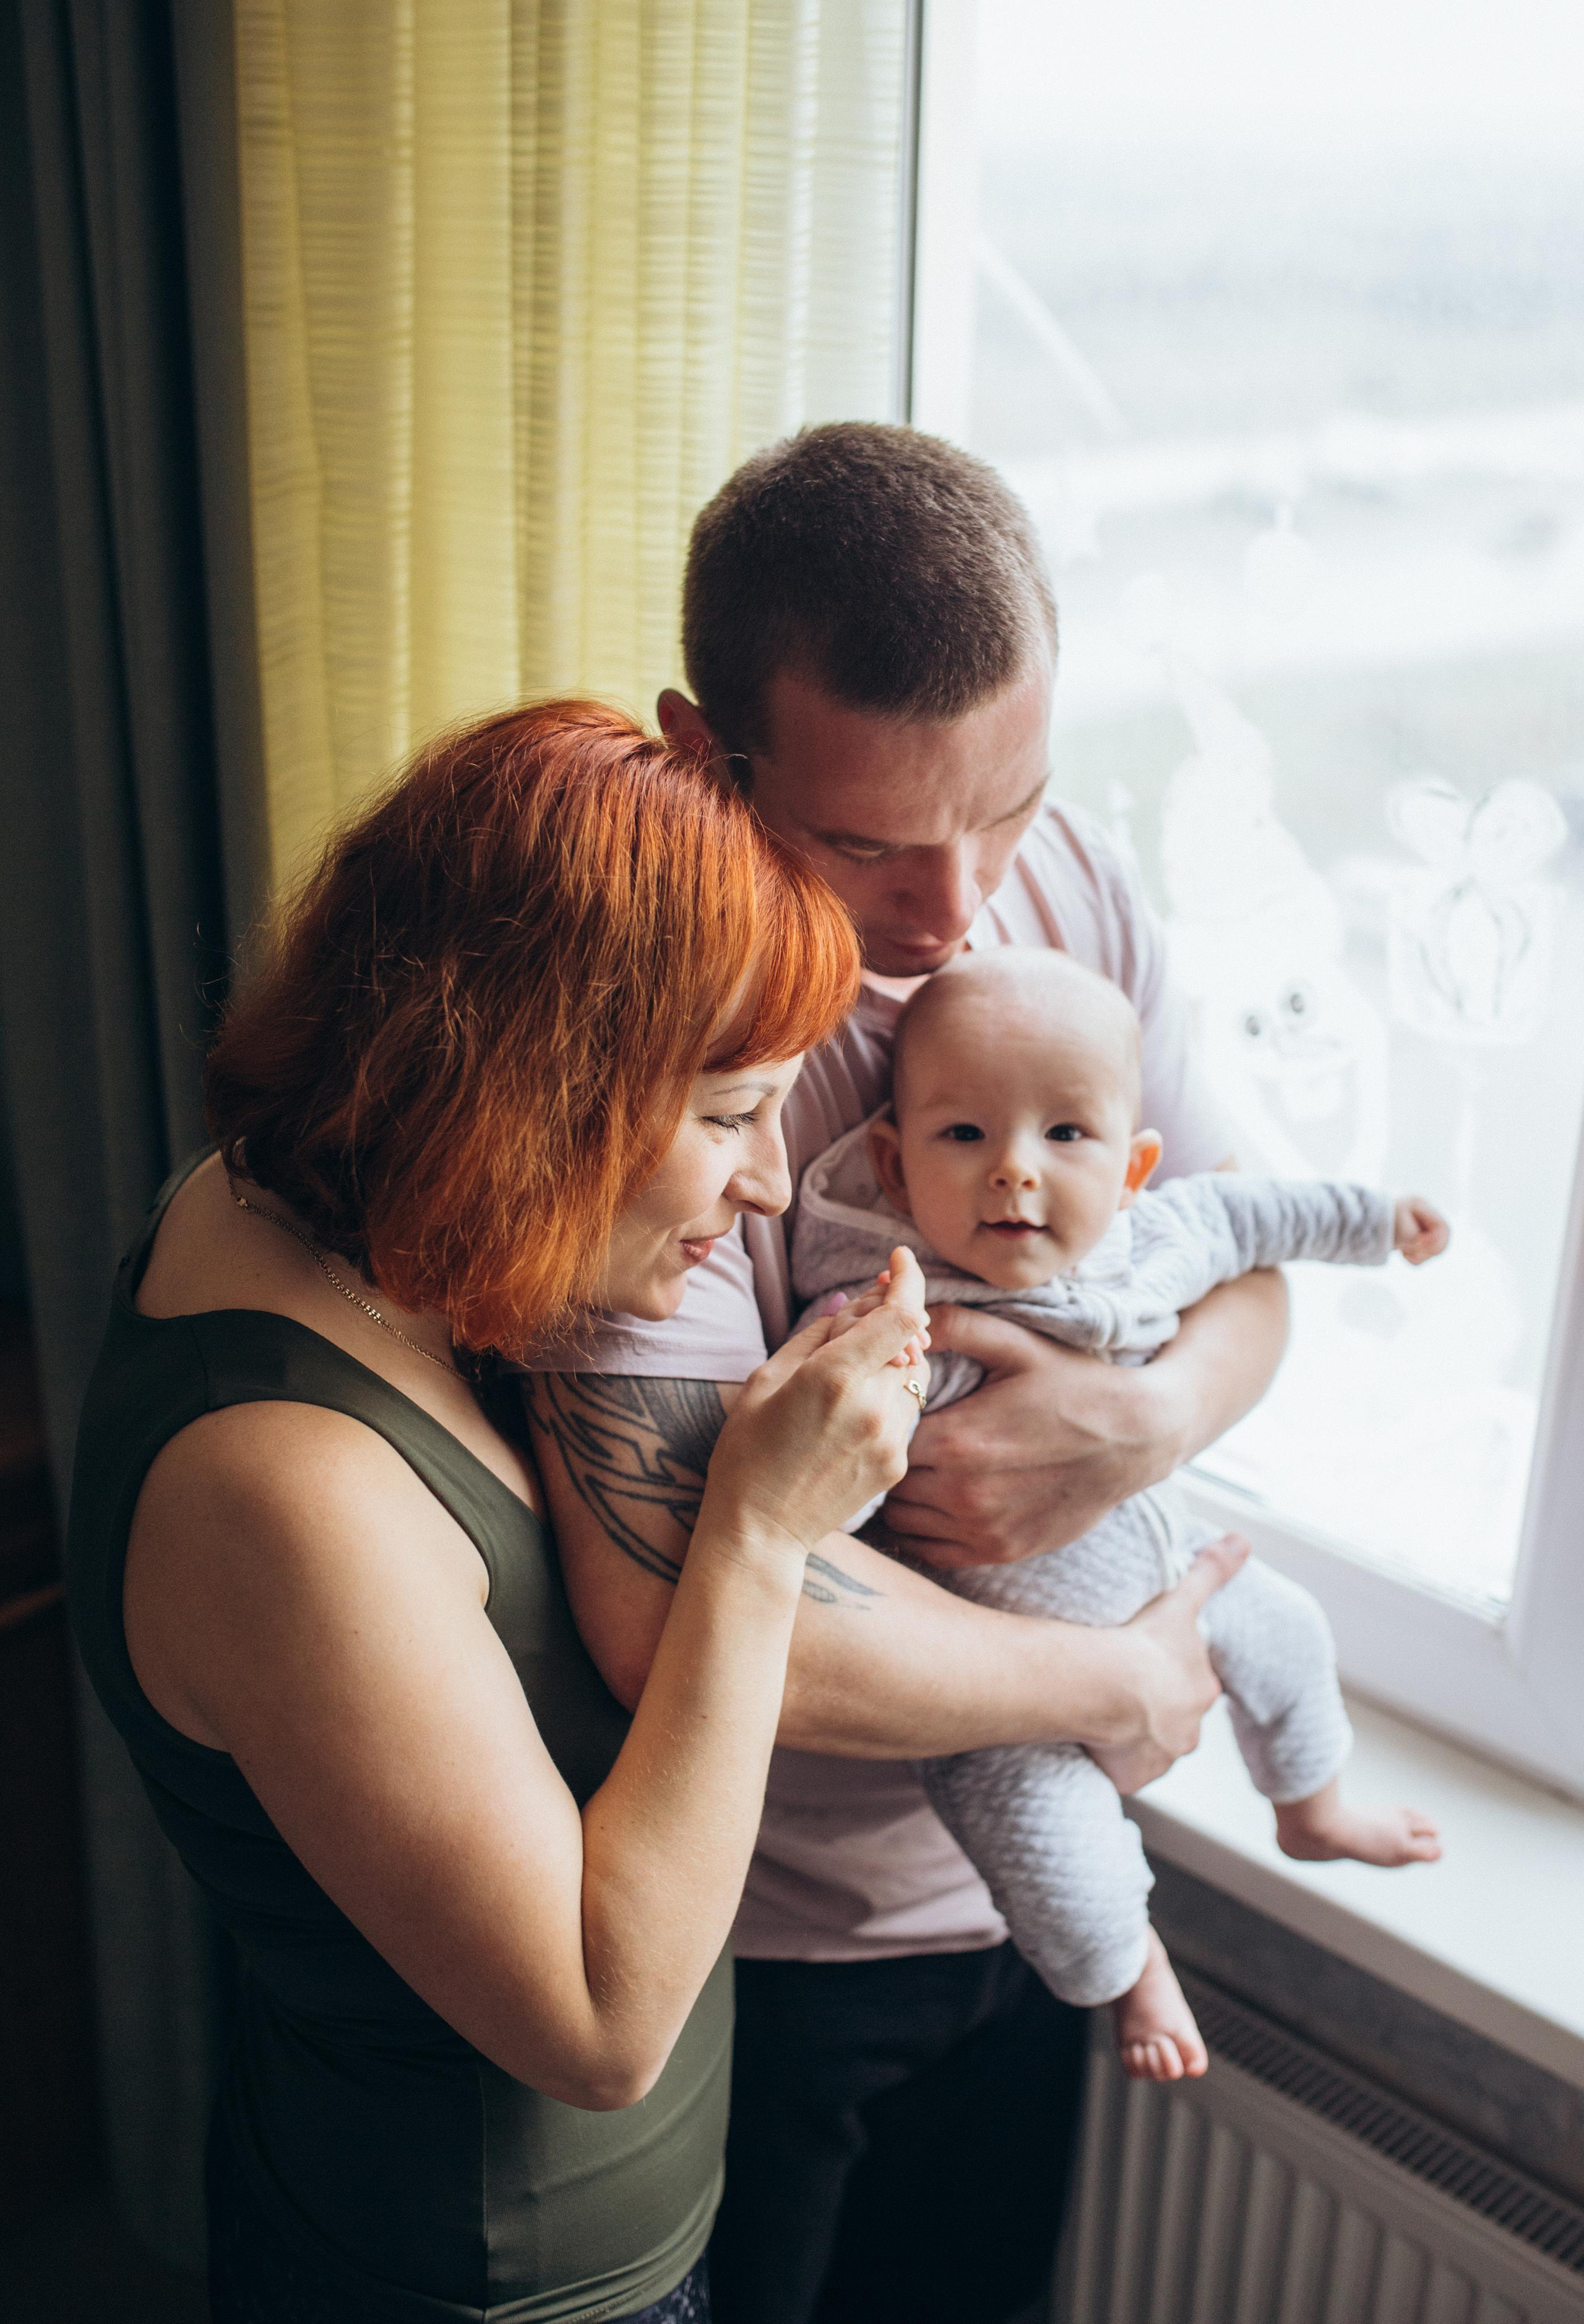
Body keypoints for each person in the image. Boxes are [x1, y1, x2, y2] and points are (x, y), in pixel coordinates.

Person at [520, 424, 1275, 2324]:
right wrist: (1128, 1672)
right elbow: (684, 1596)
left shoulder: (1074, 888)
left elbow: (1251, 1269)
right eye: (869, 841)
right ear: (709, 752)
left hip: (1043, 1887)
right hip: (762, 1931)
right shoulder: (641, 1039)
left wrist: (1141, 1420)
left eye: (1002, 807)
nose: (957, 911)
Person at [67, 700, 943, 2324]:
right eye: (731, 1113)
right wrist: (758, 1532)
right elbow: (602, 2024)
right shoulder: (285, 1492)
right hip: (486, 2279)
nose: (764, 1183)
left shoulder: (297, 1198)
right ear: (539, 1091)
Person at [792, 946, 1446, 2083]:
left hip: (1184, 1572)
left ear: (1135, 1163)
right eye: (965, 1136)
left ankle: (1313, 1804)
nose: (1015, 1174)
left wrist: (1380, 1219)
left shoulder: (1150, 1238)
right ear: (892, 1167)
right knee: (1065, 1872)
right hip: (996, 1700)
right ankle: (1137, 1965)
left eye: (1066, 1135)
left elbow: (1257, 1216)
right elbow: (810, 1485)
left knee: (1289, 1630)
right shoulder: (896, 1317)